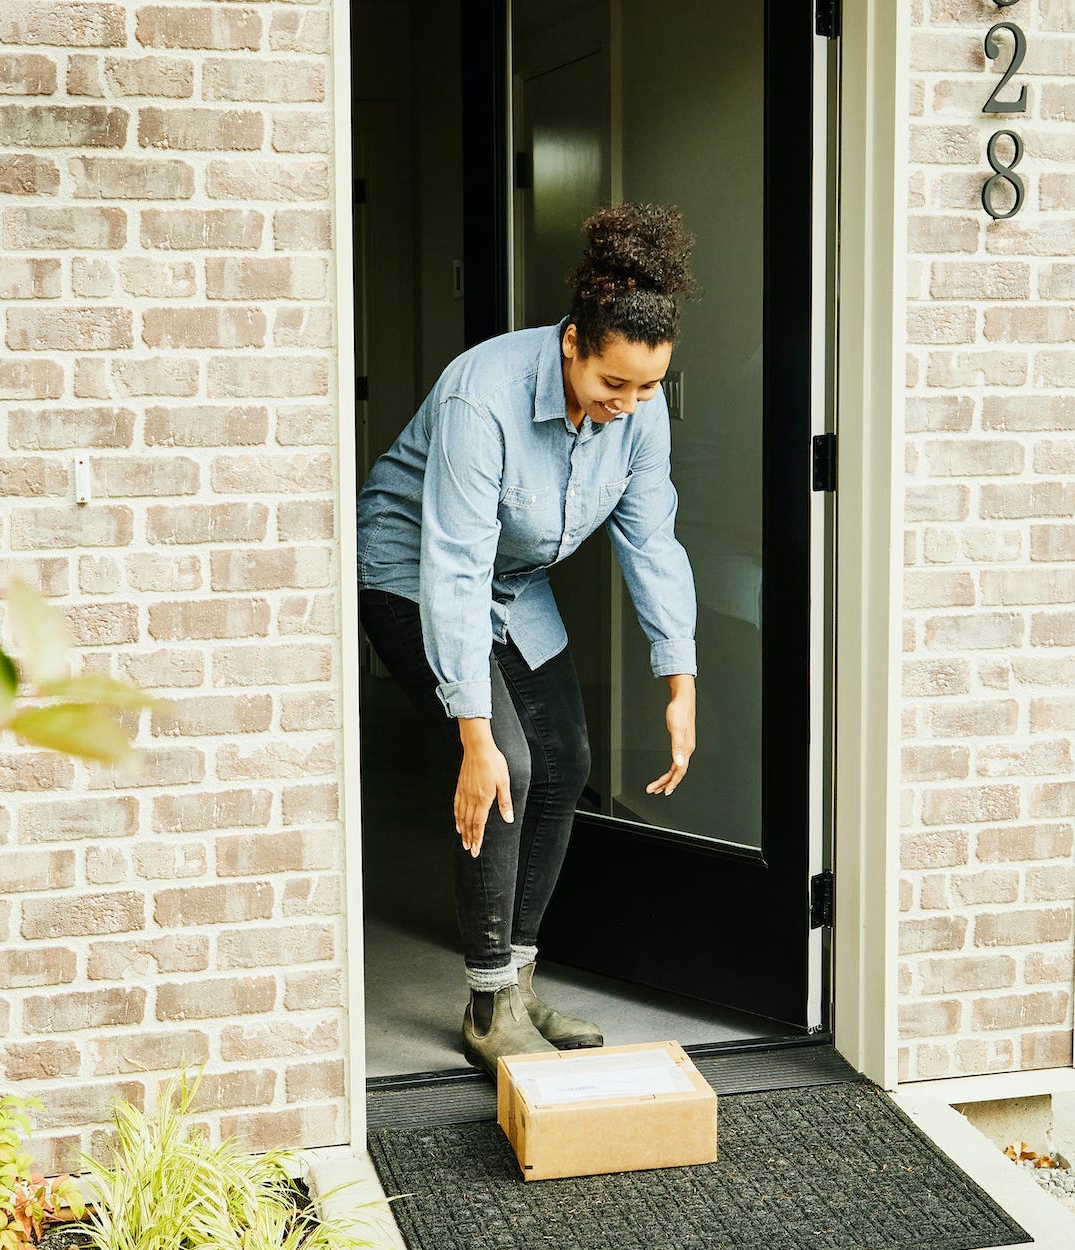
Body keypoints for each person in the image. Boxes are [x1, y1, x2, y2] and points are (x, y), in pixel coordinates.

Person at [356, 204, 703, 1071]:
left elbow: (651, 536)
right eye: (612, 384)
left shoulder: (638, 412)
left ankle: (519, 982)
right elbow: (455, 569)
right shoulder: (486, 397)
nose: (628, 406)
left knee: (567, 760)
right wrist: (472, 732)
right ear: (571, 346)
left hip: (514, 581)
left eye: (648, 387)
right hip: (411, 572)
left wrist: (679, 674)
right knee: (505, 762)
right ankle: (486, 1005)